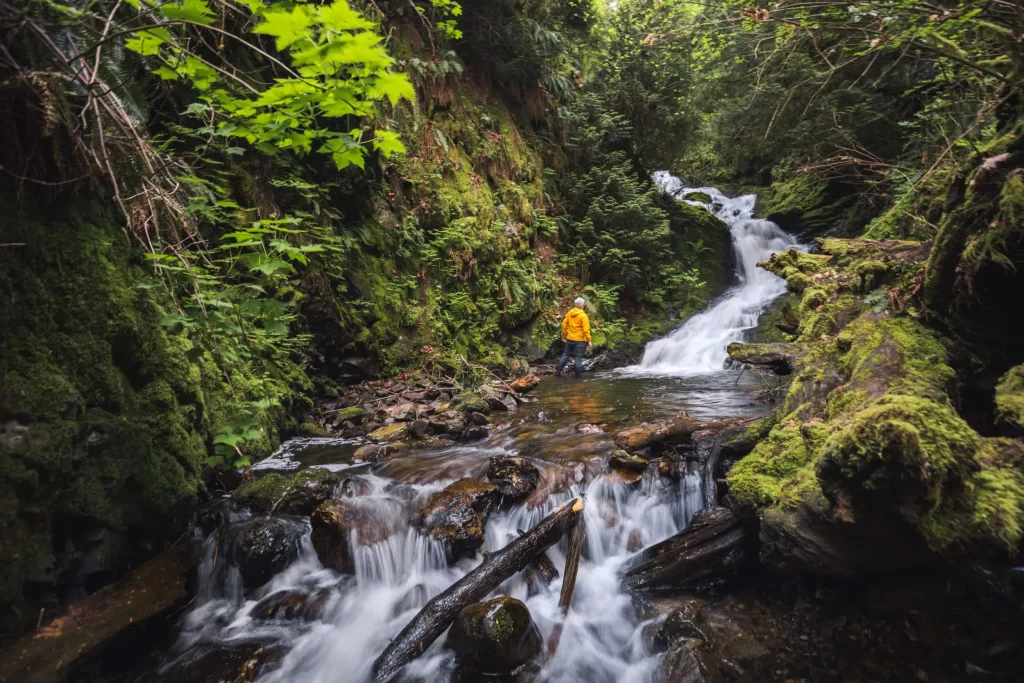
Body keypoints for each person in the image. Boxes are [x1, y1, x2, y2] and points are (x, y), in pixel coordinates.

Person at [556, 297, 592, 377]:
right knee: (578, 358)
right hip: (580, 340)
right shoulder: (583, 316)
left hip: (570, 339)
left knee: (565, 355)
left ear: (575, 305)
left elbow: (564, 325)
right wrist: (589, 340)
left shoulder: (570, 313)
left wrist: (564, 335)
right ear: (583, 305)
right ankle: (577, 377)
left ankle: (557, 372)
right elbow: (586, 330)